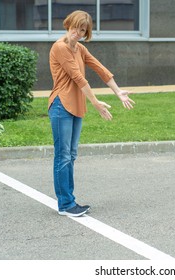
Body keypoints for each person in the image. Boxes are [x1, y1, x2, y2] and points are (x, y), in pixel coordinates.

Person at [48, 10, 135, 217]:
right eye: (75, 27)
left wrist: (117, 91)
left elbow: (99, 68)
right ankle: (66, 204)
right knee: (63, 156)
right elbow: (78, 78)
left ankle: (69, 200)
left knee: (71, 155)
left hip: (76, 104)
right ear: (68, 24)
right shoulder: (60, 47)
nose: (77, 33)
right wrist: (95, 102)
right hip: (61, 104)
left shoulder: (79, 49)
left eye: (82, 30)